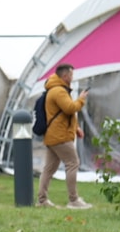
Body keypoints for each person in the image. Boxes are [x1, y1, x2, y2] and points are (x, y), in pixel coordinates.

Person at [36, 63, 92, 209]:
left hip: (53, 135)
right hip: (60, 136)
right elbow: (70, 108)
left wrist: (76, 128)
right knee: (73, 163)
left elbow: (62, 114)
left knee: (49, 169)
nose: (72, 78)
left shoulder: (54, 89)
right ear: (65, 76)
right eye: (71, 75)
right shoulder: (59, 91)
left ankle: (42, 200)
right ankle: (73, 200)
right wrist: (81, 99)